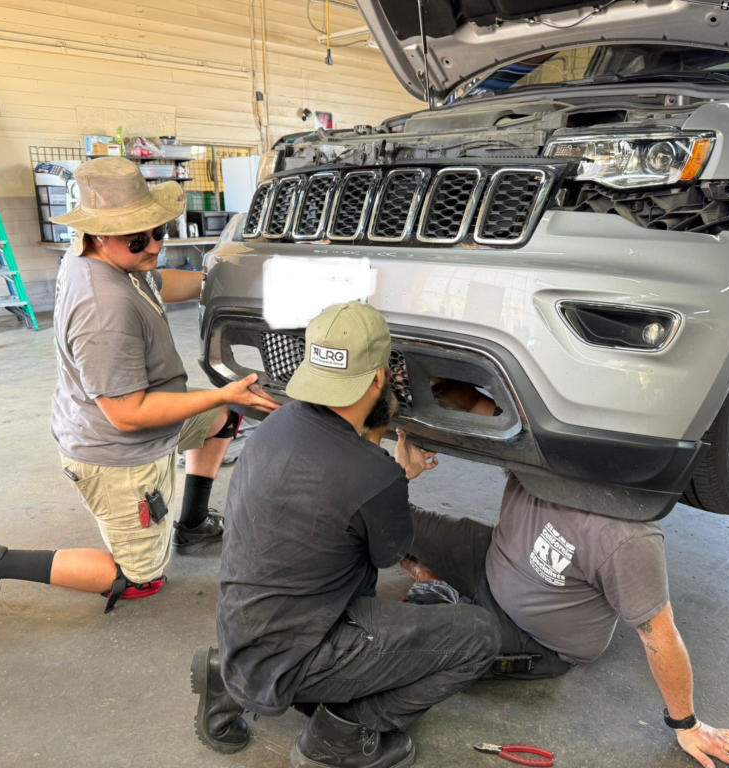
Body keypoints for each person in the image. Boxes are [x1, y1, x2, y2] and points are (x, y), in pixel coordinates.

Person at [0, 157, 278, 613]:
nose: (155, 246)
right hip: (119, 451)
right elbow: (127, 414)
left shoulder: (103, 260)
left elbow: (158, 282)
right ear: (98, 234)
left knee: (220, 418)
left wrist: (228, 284)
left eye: (160, 231)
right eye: (139, 238)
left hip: (134, 417)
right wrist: (223, 391)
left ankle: (193, 525)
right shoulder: (105, 311)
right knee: (139, 580)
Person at [190, 302, 500, 768]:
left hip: (245, 632)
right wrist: (398, 476)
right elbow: (387, 553)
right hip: (303, 647)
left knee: (345, 565)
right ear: (379, 379)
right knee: (479, 636)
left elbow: (341, 501)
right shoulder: (374, 476)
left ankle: (232, 678)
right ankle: (340, 736)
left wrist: (384, 470)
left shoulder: (277, 426)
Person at [400, 380, 729, 768]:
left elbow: (660, 635)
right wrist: (420, 402)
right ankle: (433, 580)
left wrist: (687, 725)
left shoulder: (625, 534)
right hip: (493, 557)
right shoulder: (539, 441)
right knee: (388, 520)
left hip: (534, 639)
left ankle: (431, 584)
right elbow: (471, 401)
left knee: (409, 645)